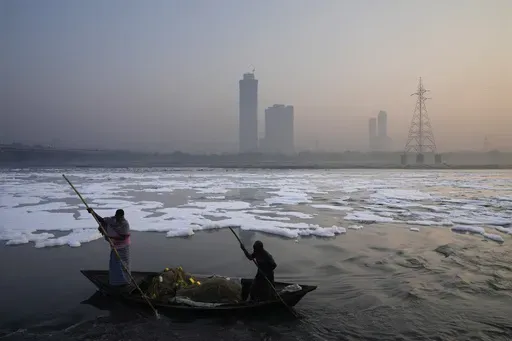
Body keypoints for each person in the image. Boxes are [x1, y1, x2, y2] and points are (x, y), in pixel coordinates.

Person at [87, 208, 131, 290]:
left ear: (122, 216)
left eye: (119, 217)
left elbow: (123, 236)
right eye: (117, 216)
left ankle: (125, 281)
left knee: (123, 264)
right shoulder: (112, 220)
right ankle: (116, 281)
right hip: (115, 246)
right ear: (115, 215)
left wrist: (110, 237)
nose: (118, 219)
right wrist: (93, 212)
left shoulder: (125, 224)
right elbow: (101, 220)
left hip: (123, 247)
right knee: (114, 263)